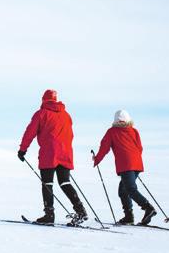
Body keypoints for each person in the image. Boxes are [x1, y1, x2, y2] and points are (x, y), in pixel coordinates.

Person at [18, 89, 88, 225]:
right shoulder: (66, 115)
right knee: (65, 182)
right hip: (66, 152)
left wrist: (22, 150)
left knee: (47, 183)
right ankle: (81, 211)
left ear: (44, 100)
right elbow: (71, 135)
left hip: (49, 153)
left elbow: (30, 132)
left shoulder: (41, 114)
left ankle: (49, 215)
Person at [92, 110, 157, 225]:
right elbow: (140, 148)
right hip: (136, 163)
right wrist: (134, 161)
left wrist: (97, 159)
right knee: (123, 190)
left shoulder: (112, 131)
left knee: (130, 189)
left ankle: (148, 208)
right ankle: (128, 217)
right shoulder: (134, 131)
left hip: (126, 164)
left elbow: (104, 147)